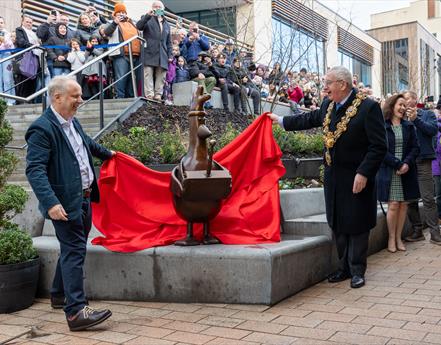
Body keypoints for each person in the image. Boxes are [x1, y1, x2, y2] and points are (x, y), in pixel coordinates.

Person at [268, 66, 387, 288]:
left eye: (328, 83)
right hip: (334, 177)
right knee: (338, 222)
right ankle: (343, 267)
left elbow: (379, 146)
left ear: (342, 84)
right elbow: (309, 119)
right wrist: (280, 121)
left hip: (357, 177)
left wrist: (364, 172)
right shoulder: (328, 105)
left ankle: (358, 270)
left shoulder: (368, 108)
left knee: (357, 223)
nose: (325, 89)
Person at [25, 76, 114, 331]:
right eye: (75, 96)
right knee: (75, 251)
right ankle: (75, 311)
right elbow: (35, 171)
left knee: (71, 248)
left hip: (84, 198)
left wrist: (111, 155)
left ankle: (58, 294)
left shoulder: (71, 122)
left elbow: (87, 145)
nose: (81, 100)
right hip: (63, 204)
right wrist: (51, 203)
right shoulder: (42, 129)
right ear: (57, 97)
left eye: (80, 95)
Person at [376, 94, 420, 253]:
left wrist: (406, 163)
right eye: (400, 105)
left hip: (406, 170)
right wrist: (397, 164)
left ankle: (399, 237)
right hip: (390, 170)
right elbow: (380, 149)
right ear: (392, 106)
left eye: (404, 105)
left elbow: (415, 148)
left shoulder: (409, 126)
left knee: (403, 205)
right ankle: (391, 238)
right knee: (393, 205)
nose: (402, 108)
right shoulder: (382, 126)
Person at [404, 90, 441, 244]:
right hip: (407, 162)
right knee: (410, 200)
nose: (405, 102)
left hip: (423, 160)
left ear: (414, 99)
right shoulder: (400, 118)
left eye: (406, 98)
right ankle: (417, 230)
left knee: (427, 198)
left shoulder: (427, 114)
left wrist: (416, 120)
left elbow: (432, 130)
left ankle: (435, 233)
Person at [102, 3, 141, 99]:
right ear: (115, 14)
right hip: (121, 55)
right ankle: (120, 98)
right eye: (119, 12)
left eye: (123, 12)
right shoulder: (111, 22)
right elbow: (106, 33)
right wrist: (115, 22)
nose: (122, 14)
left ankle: (131, 98)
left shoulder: (132, 23)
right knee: (121, 78)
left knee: (132, 79)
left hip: (135, 55)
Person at [136, 0, 172, 101]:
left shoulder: (166, 24)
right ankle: (149, 95)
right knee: (148, 74)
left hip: (163, 53)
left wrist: (170, 55)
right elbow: (139, 26)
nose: (157, 8)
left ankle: (158, 95)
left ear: (162, 9)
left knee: (161, 76)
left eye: (159, 7)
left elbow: (169, 42)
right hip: (149, 52)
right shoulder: (147, 18)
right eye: (155, 7)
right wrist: (148, 15)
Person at [0, 16, 16, 104]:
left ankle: (10, 101)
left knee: (7, 79)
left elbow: (11, 46)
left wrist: (5, 41)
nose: (0, 24)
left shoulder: (8, 34)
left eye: (1, 22)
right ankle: (1, 101)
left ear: (4, 24)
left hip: (6, 57)